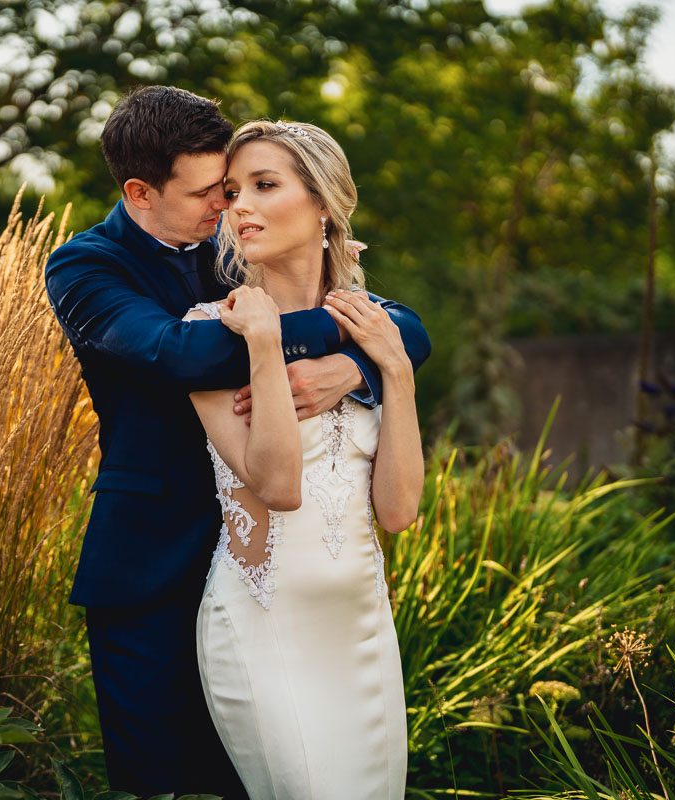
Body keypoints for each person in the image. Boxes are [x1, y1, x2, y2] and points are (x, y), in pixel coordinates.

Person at [43, 86, 430, 797]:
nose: (228, 207)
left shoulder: (237, 242)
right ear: (140, 192)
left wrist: (358, 367)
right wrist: (343, 336)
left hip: (291, 572)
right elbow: (176, 354)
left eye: (236, 187)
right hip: (154, 561)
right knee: (166, 782)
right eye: (208, 193)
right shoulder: (85, 268)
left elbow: (408, 326)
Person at [187, 119, 421, 799]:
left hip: (362, 632)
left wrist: (392, 372)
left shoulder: (372, 330)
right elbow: (279, 487)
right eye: (232, 192)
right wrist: (262, 345)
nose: (241, 207)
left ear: (322, 203)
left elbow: (399, 512)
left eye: (264, 185)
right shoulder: (208, 333)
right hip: (266, 629)